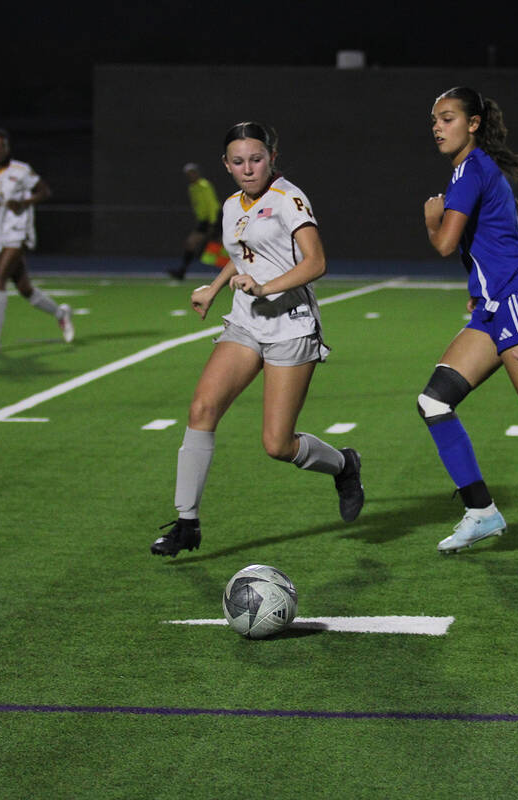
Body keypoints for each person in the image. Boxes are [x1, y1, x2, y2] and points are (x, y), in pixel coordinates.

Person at [151, 121, 364, 557]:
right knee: (202, 408)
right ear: (226, 165)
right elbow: (242, 256)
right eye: (238, 161)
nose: (248, 168)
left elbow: (317, 262)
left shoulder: (289, 198)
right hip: (246, 323)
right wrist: (213, 289)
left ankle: (344, 464)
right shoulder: (231, 204)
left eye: (256, 158)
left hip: (291, 325)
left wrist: (266, 288)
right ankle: (187, 522)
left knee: (277, 444)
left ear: (272, 157)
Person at [420, 86, 518, 554]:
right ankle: (481, 512)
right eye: (434, 121)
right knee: (434, 402)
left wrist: (431, 219)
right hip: (492, 308)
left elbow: (445, 244)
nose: (438, 128)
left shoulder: (469, 172)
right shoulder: (478, 169)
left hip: (516, 305)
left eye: (447, 118)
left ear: (474, 124)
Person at [0, 128, 73, 353]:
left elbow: (45, 191)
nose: (1, 150)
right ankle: (61, 313)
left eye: (4, 145)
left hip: (19, 231)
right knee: (25, 288)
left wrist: (24, 203)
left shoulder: (21, 170)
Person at [167, 162, 229, 280]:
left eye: (192, 173)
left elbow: (211, 204)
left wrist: (213, 222)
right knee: (192, 243)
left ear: (197, 173)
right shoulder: (192, 187)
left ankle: (240, 269)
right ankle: (182, 271)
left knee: (224, 245)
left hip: (214, 218)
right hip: (204, 220)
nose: (191, 176)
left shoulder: (204, 185)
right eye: (188, 174)